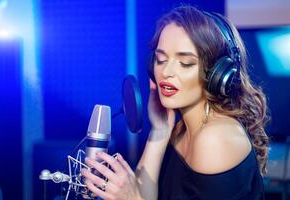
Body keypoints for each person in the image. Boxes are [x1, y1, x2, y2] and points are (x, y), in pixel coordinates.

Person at [81, 5, 269, 200]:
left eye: (185, 63)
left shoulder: (214, 138)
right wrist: (159, 131)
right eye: (161, 60)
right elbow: (145, 194)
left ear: (217, 74)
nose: (166, 72)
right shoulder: (181, 129)